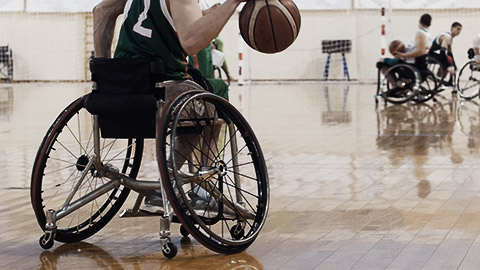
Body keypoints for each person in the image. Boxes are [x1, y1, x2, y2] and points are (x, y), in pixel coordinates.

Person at [92, 0, 245, 212]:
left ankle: (167, 183)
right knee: (214, 92)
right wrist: (233, 3)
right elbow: (191, 41)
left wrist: (106, 76)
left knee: (194, 90)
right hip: (162, 86)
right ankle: (200, 187)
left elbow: (101, 11)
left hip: (125, 85)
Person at [377, 14, 432, 86]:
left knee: (380, 63)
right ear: (430, 24)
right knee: (384, 60)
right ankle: (399, 83)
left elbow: (421, 51)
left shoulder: (420, 33)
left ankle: (395, 85)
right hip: (415, 64)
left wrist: (403, 55)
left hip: (410, 66)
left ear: (419, 21)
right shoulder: (428, 34)